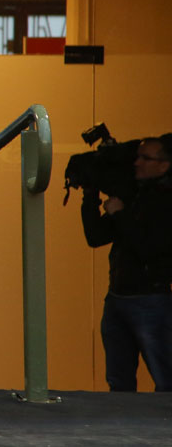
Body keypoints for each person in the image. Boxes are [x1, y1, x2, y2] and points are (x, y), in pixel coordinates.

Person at [80, 136, 172, 392]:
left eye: (146, 158)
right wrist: (90, 196)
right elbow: (96, 236)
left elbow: (149, 248)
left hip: (151, 299)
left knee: (166, 380)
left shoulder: (165, 202)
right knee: (118, 383)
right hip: (117, 299)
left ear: (164, 165)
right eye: (137, 157)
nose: (137, 163)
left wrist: (120, 214)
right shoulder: (133, 197)